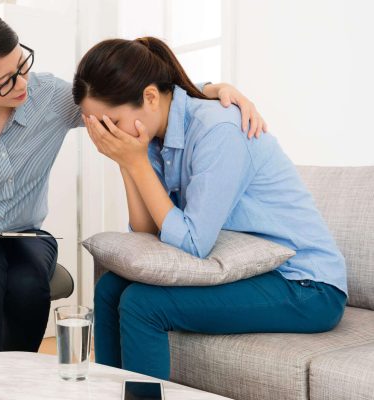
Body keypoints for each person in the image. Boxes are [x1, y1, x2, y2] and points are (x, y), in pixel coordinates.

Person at [0, 10, 265, 360]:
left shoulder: (48, 98)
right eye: (6, 82)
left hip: (25, 237)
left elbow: (124, 98)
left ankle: (14, 379)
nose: (22, 84)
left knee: (27, 283)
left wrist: (209, 90)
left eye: (22, 65)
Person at [73, 36, 347, 380]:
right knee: (110, 288)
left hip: (306, 286)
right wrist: (126, 161)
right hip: (249, 270)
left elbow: (192, 243)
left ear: (150, 97)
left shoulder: (218, 130)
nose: (108, 134)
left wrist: (136, 162)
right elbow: (147, 230)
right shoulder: (155, 135)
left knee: (142, 304)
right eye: (98, 127)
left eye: (112, 122)